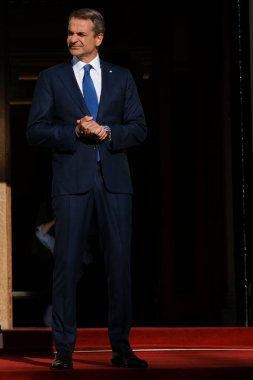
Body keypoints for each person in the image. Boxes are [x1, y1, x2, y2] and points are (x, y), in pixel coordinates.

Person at [26, 7, 148, 370]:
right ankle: (63, 349)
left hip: (114, 183)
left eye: (80, 33)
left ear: (99, 37)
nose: (72, 39)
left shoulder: (122, 77)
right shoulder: (52, 78)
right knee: (65, 264)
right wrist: (73, 132)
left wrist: (108, 133)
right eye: (69, 33)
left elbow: (139, 128)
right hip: (71, 182)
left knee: (119, 266)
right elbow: (36, 130)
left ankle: (121, 347)